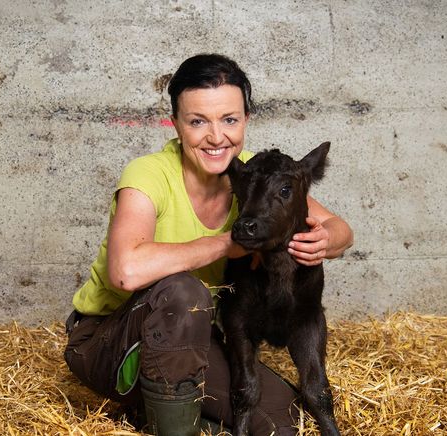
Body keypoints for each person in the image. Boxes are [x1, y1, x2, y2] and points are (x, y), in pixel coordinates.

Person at [64, 53, 353, 435]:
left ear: (246, 120)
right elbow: (125, 271)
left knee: (282, 422)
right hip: (107, 342)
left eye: (229, 120)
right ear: (176, 124)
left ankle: (154, 412)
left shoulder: (252, 172)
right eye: (198, 121)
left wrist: (326, 240)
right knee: (183, 290)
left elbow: (339, 228)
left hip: (188, 339)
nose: (217, 137)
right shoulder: (148, 174)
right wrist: (225, 245)